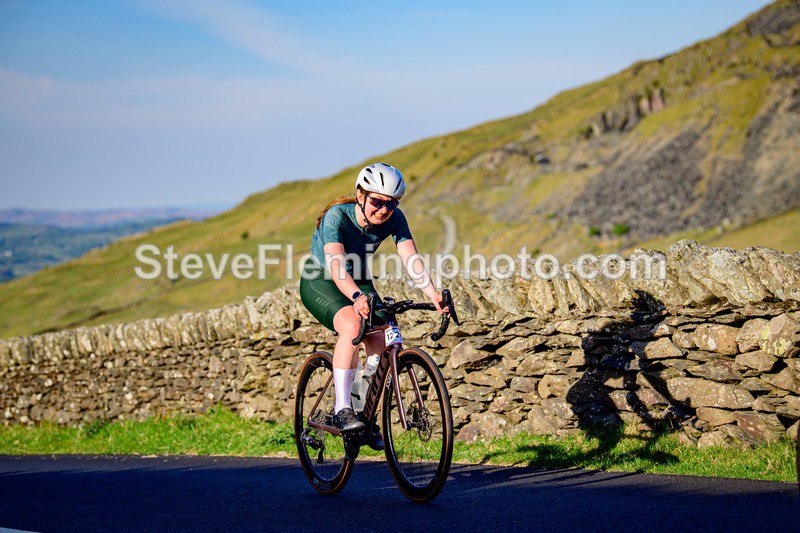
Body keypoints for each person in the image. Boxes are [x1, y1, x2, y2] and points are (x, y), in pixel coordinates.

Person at [299, 162, 445, 444]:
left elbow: (410, 258)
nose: (384, 210)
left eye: (391, 204)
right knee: (353, 326)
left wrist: (432, 293)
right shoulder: (336, 216)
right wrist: (356, 297)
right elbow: (336, 266)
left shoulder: (395, 218)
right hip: (321, 278)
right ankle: (342, 409)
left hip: (358, 278)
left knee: (380, 338)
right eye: (377, 202)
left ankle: (361, 412)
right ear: (361, 195)